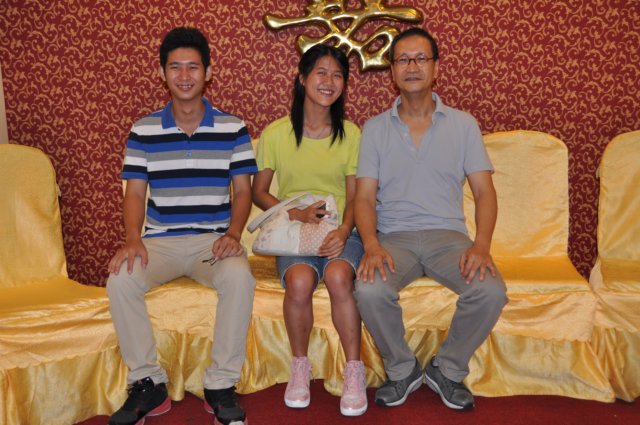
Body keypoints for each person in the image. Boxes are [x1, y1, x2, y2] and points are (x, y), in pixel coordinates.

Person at [106, 27, 257, 425]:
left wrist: (234, 234)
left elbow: (243, 191)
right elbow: (135, 193)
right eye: (176, 67)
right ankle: (147, 383)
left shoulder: (233, 127)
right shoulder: (143, 129)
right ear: (163, 73)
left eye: (193, 67)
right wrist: (133, 239)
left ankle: (221, 384)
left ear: (208, 73)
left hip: (213, 241)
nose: (185, 75)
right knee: (121, 278)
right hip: (160, 241)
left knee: (239, 277)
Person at [354, 27, 508, 411]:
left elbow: (485, 192)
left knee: (490, 290)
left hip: (448, 237)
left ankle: (447, 369)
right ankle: (402, 369)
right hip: (394, 237)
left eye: (420, 58)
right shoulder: (374, 129)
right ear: (392, 71)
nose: (412, 66)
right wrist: (371, 244)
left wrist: (482, 245)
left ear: (436, 68)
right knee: (369, 289)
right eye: (403, 60)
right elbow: (364, 197)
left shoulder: (463, 124)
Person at [252, 44, 367, 417]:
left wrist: (345, 229)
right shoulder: (276, 133)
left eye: (337, 75)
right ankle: (300, 367)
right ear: (302, 78)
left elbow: (356, 196)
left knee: (337, 276)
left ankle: (354, 371)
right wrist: (296, 213)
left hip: (341, 229)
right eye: (321, 72)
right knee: (300, 283)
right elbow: (258, 191)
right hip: (295, 231)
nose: (329, 81)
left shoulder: (351, 134)